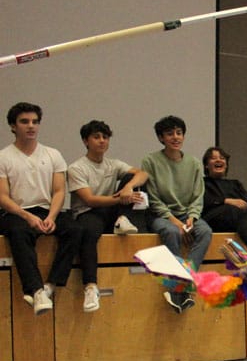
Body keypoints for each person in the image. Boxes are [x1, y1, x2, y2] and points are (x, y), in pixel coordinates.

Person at [0, 102, 85, 315]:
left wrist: (52, 216)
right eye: (24, 122)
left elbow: (59, 191)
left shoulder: (52, 154)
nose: (31, 126)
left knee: (75, 230)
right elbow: (3, 197)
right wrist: (27, 216)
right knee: (19, 232)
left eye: (35, 122)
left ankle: (50, 285)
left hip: (47, 209)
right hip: (17, 212)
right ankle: (35, 290)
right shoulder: (3, 157)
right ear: (13, 126)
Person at [68, 120, 148, 312]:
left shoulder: (113, 164)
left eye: (105, 137)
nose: (102, 141)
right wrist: (120, 198)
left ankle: (123, 219)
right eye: (96, 137)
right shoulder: (76, 168)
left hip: (110, 210)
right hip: (87, 212)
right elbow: (89, 200)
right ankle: (90, 287)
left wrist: (128, 187)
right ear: (86, 141)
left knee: (132, 178)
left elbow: (143, 174)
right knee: (89, 233)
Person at [141, 115, 212, 314]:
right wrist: (174, 221)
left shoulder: (194, 163)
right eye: (170, 133)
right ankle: (179, 288)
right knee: (171, 232)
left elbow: (198, 196)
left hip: (186, 215)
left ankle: (183, 283)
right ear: (161, 138)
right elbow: (153, 198)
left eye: (179, 133)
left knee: (205, 231)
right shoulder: (150, 161)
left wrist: (192, 218)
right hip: (161, 216)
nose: (175, 137)